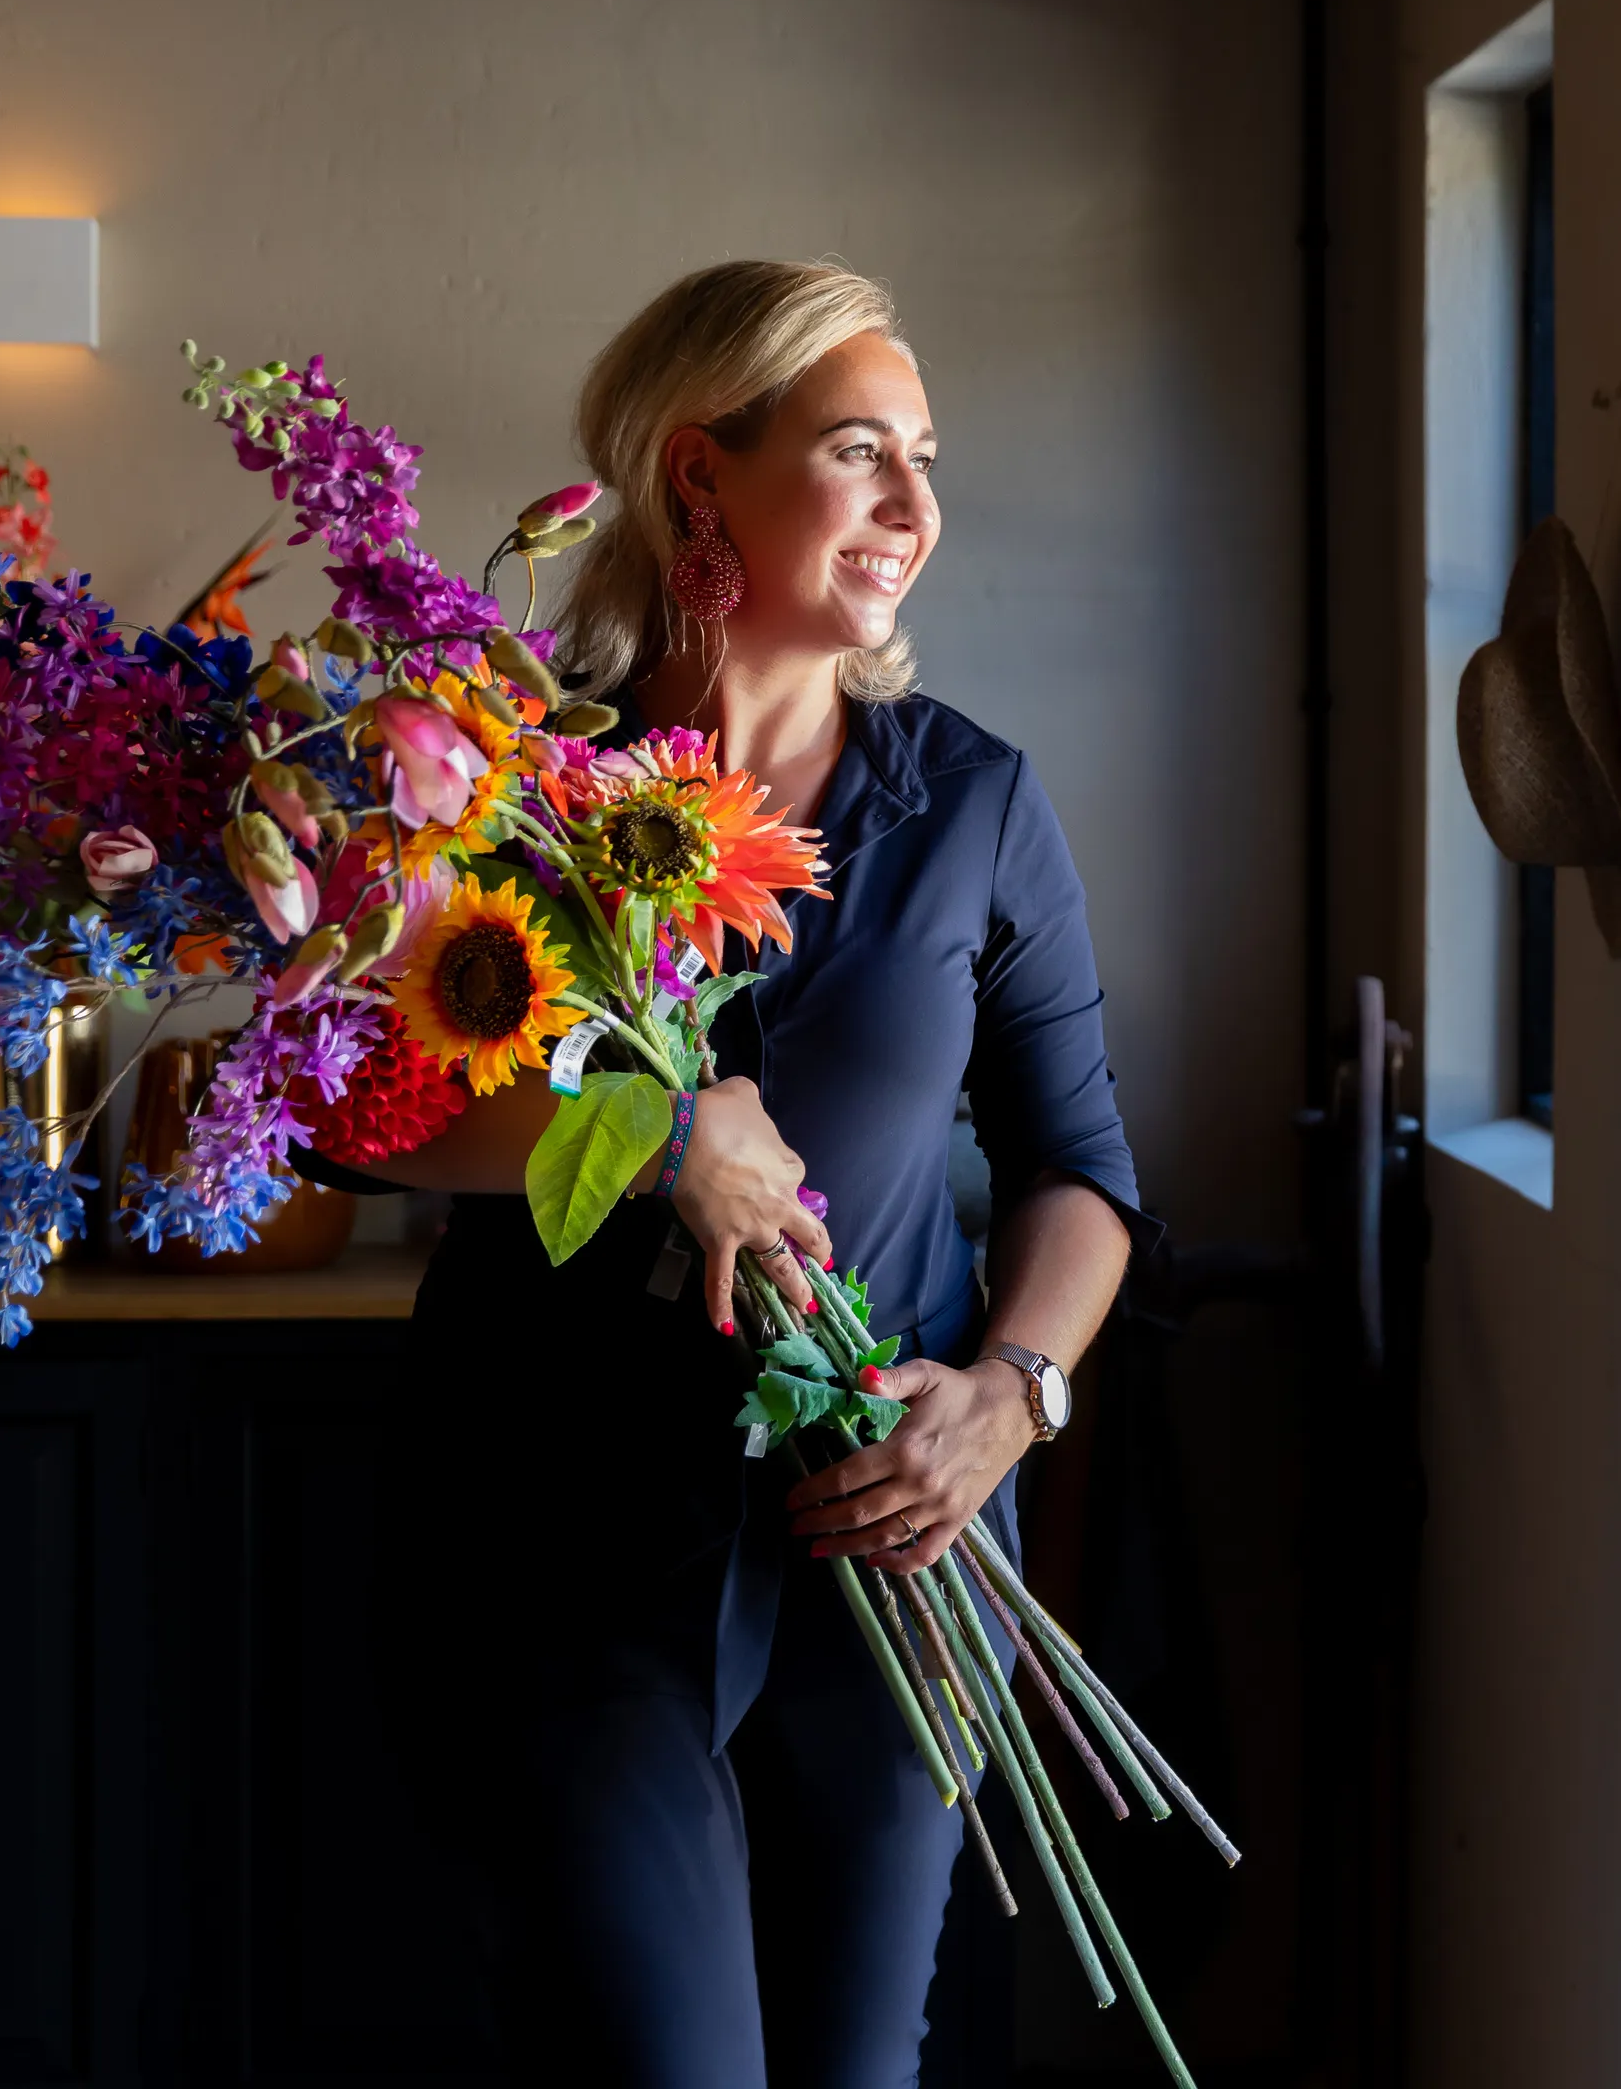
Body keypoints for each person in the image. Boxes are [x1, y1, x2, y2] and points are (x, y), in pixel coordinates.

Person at [349, 259, 1151, 2087]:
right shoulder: (517, 787)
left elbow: (1080, 1170)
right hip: (563, 1541)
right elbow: (357, 1111)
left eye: (926, 460)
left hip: (898, 1542)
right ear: (700, 477)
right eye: (859, 452)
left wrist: (1010, 1398)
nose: (915, 509)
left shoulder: (975, 806)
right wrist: (636, 1138)